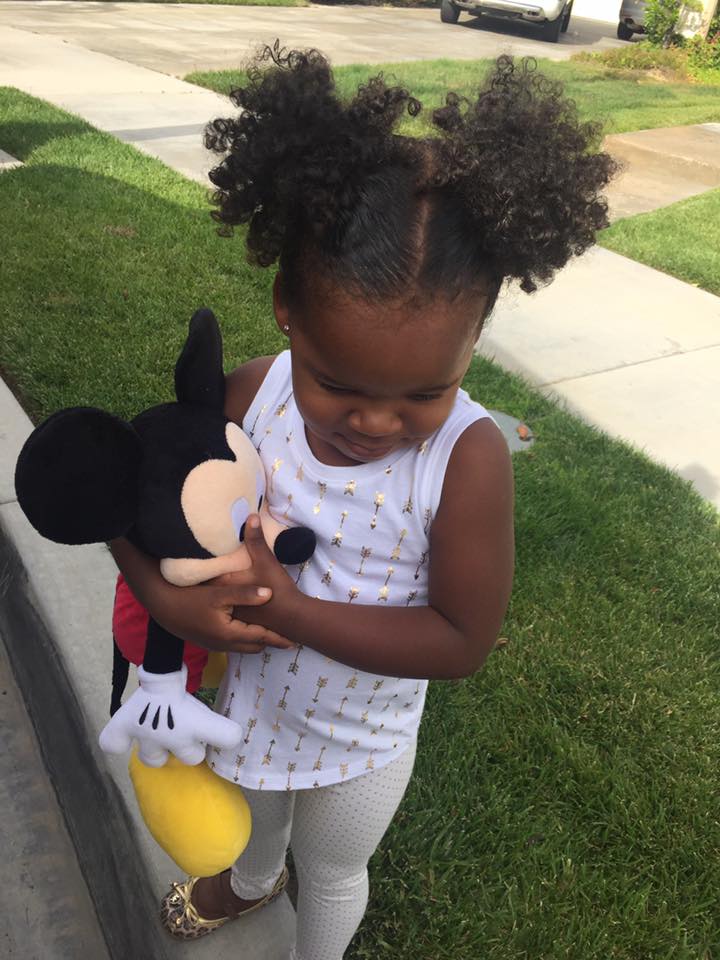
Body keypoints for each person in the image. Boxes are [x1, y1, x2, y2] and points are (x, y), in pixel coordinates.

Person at [110, 44, 616, 958]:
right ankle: (254, 882)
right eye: (337, 382)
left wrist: (294, 610)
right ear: (284, 309)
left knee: (336, 869)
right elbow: (132, 496)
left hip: (362, 744)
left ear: (473, 346)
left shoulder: (465, 460)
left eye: (425, 392)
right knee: (260, 824)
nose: (375, 423)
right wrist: (166, 597)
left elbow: (461, 640)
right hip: (249, 706)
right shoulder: (252, 392)